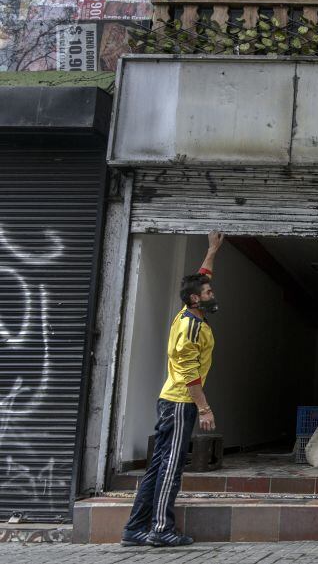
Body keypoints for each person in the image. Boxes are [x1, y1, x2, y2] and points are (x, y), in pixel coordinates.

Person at [120, 231, 224, 548]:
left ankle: (134, 529)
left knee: (158, 466)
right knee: (170, 467)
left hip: (172, 402)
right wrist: (204, 409)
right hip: (180, 403)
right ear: (195, 299)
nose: (212, 294)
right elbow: (189, 374)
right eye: (208, 292)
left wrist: (212, 250)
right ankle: (161, 529)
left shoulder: (189, 311)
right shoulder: (190, 327)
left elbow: (202, 276)